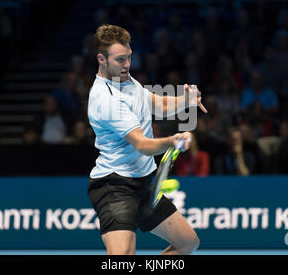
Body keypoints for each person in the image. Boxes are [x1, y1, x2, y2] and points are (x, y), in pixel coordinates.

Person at [87, 24, 207, 255]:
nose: (127, 65)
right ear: (101, 59)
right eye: (120, 60)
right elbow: (142, 144)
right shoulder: (106, 99)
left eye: (129, 57)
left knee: (187, 243)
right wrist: (172, 141)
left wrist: (185, 101)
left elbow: (158, 105)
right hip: (114, 186)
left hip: (143, 183)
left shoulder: (127, 80)